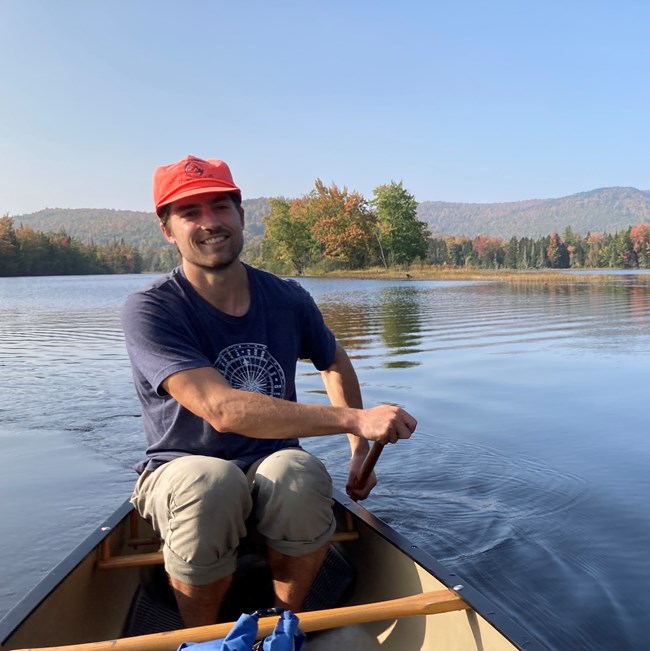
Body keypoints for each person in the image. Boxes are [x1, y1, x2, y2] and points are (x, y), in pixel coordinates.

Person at [121, 155, 417, 628]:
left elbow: (334, 361)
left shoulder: (286, 297)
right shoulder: (151, 308)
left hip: (270, 464)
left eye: (220, 207)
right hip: (179, 467)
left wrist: (358, 454)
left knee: (298, 474)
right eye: (190, 213)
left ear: (241, 215)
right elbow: (222, 409)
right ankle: (201, 639)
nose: (210, 223)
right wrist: (355, 420)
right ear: (167, 230)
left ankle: (285, 625)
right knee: (210, 483)